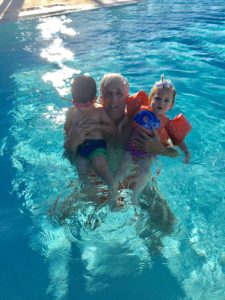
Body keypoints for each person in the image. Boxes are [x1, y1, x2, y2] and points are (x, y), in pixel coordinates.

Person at [53, 73, 178, 233]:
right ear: (100, 97)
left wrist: (158, 149)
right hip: (95, 181)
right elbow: (69, 155)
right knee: (57, 216)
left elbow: (174, 153)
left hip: (135, 182)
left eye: (119, 93)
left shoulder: (141, 121)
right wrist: (73, 140)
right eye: (108, 94)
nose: (114, 99)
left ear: (127, 96)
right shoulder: (85, 118)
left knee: (168, 225)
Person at [116, 74, 192, 204]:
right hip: (131, 148)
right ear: (150, 99)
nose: (161, 102)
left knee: (145, 172)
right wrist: (121, 125)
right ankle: (116, 193)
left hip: (148, 154)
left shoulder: (167, 123)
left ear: (171, 105)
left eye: (166, 100)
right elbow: (128, 117)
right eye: (157, 98)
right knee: (122, 168)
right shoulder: (141, 110)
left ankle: (135, 196)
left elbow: (177, 139)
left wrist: (186, 151)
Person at [63, 74, 122, 205]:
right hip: (80, 148)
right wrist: (72, 136)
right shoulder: (71, 113)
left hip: (97, 147)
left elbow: (112, 128)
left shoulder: (99, 111)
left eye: (87, 104)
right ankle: (86, 194)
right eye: (78, 103)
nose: (82, 107)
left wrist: (97, 126)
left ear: (95, 99)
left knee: (100, 166)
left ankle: (114, 193)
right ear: (72, 100)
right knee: (81, 169)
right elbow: (66, 133)